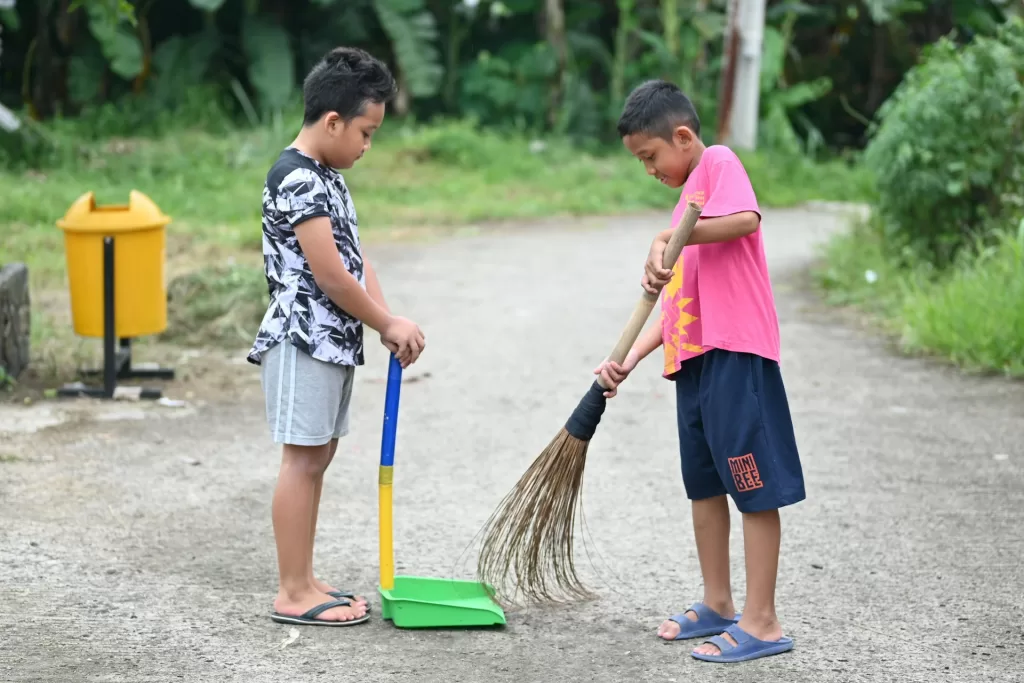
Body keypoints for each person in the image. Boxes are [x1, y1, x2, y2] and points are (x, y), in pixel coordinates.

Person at [594, 79, 805, 663]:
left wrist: (671, 236)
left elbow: (746, 221)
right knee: (706, 486)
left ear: (682, 137)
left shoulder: (716, 163)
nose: (649, 169)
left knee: (753, 485)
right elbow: (675, 308)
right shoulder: (685, 206)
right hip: (692, 363)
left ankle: (761, 621)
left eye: (650, 156)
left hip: (737, 355)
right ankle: (718, 602)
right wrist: (630, 359)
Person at [246, 46, 426, 627]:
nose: (367, 146)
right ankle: (291, 591)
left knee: (318, 454)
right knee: (301, 459)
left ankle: (305, 577)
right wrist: (383, 322)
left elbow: (354, 258)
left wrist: (386, 318)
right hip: (302, 338)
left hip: (329, 341)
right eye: (366, 133)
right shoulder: (296, 177)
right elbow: (327, 274)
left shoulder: (327, 177)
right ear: (332, 122)